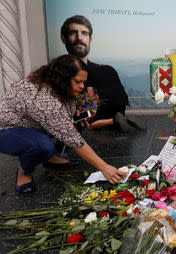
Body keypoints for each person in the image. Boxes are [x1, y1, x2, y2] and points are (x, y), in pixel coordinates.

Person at [0, 55, 127, 193]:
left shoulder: (56, 85)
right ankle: (24, 172)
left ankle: (50, 157)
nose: (82, 86)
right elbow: (72, 139)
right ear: (62, 78)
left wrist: (76, 112)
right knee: (42, 146)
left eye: (84, 82)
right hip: (7, 130)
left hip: (33, 125)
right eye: (78, 82)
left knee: (79, 122)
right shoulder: (42, 100)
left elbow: (64, 114)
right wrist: (105, 168)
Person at [60, 15, 139, 132]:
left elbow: (119, 108)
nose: (79, 38)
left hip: (104, 132)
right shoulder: (56, 74)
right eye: (73, 32)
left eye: (84, 33)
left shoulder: (107, 72)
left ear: (90, 40)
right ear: (63, 38)